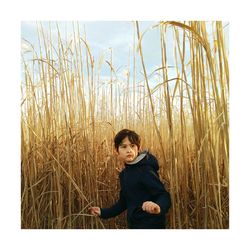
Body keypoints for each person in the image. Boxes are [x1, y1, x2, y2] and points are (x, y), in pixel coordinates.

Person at [89, 129, 171, 229]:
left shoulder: (146, 170)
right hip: (134, 225)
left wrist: (158, 207)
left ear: (138, 148)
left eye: (132, 146)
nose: (129, 150)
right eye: (124, 147)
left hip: (151, 224)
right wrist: (103, 212)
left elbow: (163, 195)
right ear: (116, 151)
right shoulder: (124, 174)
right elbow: (124, 202)